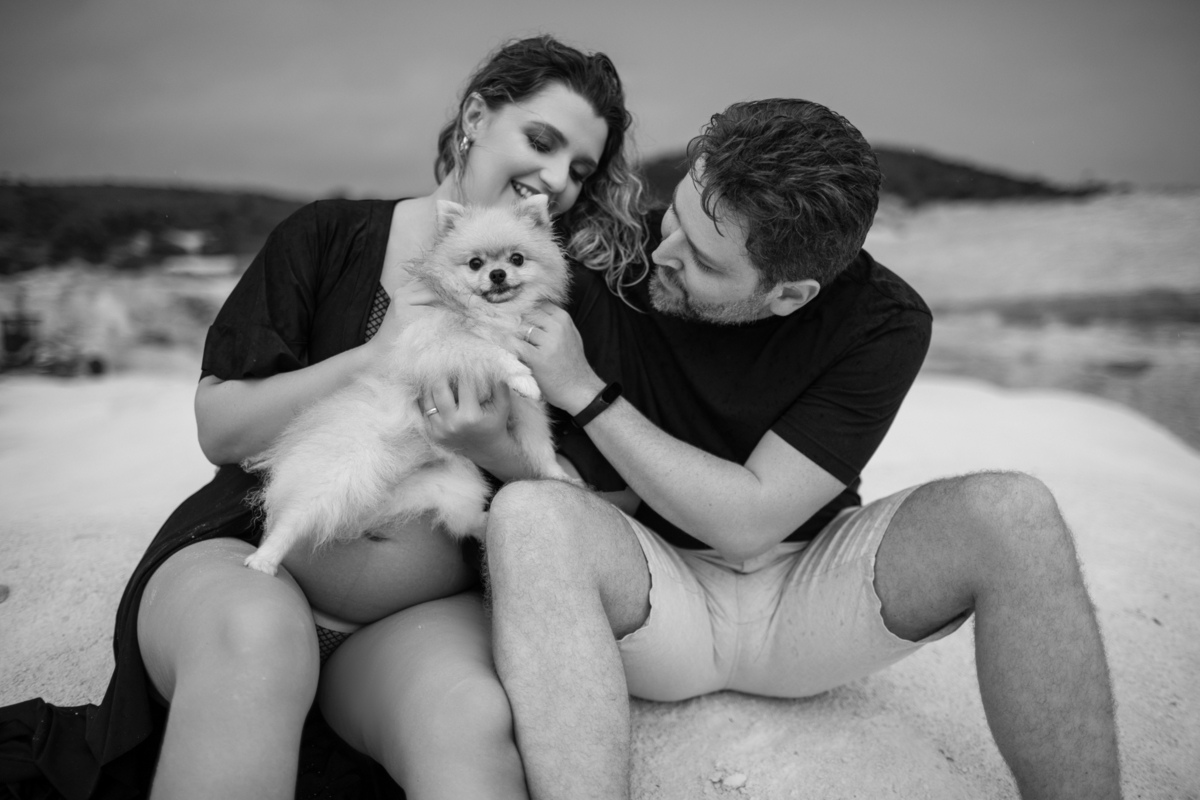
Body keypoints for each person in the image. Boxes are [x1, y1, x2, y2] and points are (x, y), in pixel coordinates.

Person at [0, 36, 646, 800]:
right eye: (542, 141)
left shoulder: (559, 308)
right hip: (245, 562)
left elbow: (597, 507)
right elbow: (221, 426)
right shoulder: (325, 236)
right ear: (475, 117)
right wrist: (372, 358)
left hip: (411, 620)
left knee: (466, 717)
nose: (557, 180)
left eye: (580, 170)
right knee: (255, 642)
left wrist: (492, 448)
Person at [482, 99, 1123, 800]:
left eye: (699, 260)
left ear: (790, 295)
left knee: (1014, 512)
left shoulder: (884, 321)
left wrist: (585, 391)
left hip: (809, 595)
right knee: (529, 516)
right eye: (677, 217)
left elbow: (750, 519)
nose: (660, 251)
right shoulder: (608, 254)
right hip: (652, 590)